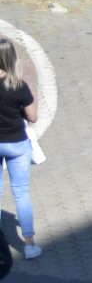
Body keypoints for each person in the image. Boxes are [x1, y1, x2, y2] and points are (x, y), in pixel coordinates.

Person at [0, 37, 40, 260]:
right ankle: (30, 244)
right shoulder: (18, 86)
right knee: (21, 192)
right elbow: (32, 117)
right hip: (16, 143)